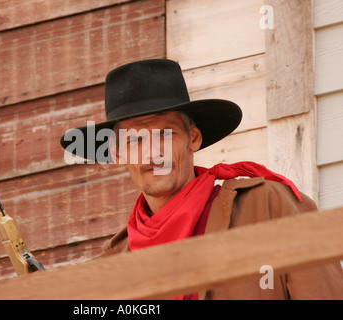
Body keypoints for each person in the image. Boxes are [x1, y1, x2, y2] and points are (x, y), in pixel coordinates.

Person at [60, 59, 343, 299]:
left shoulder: (268, 207)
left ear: (192, 138)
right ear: (118, 153)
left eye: (166, 133)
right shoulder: (114, 266)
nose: (153, 152)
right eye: (135, 140)